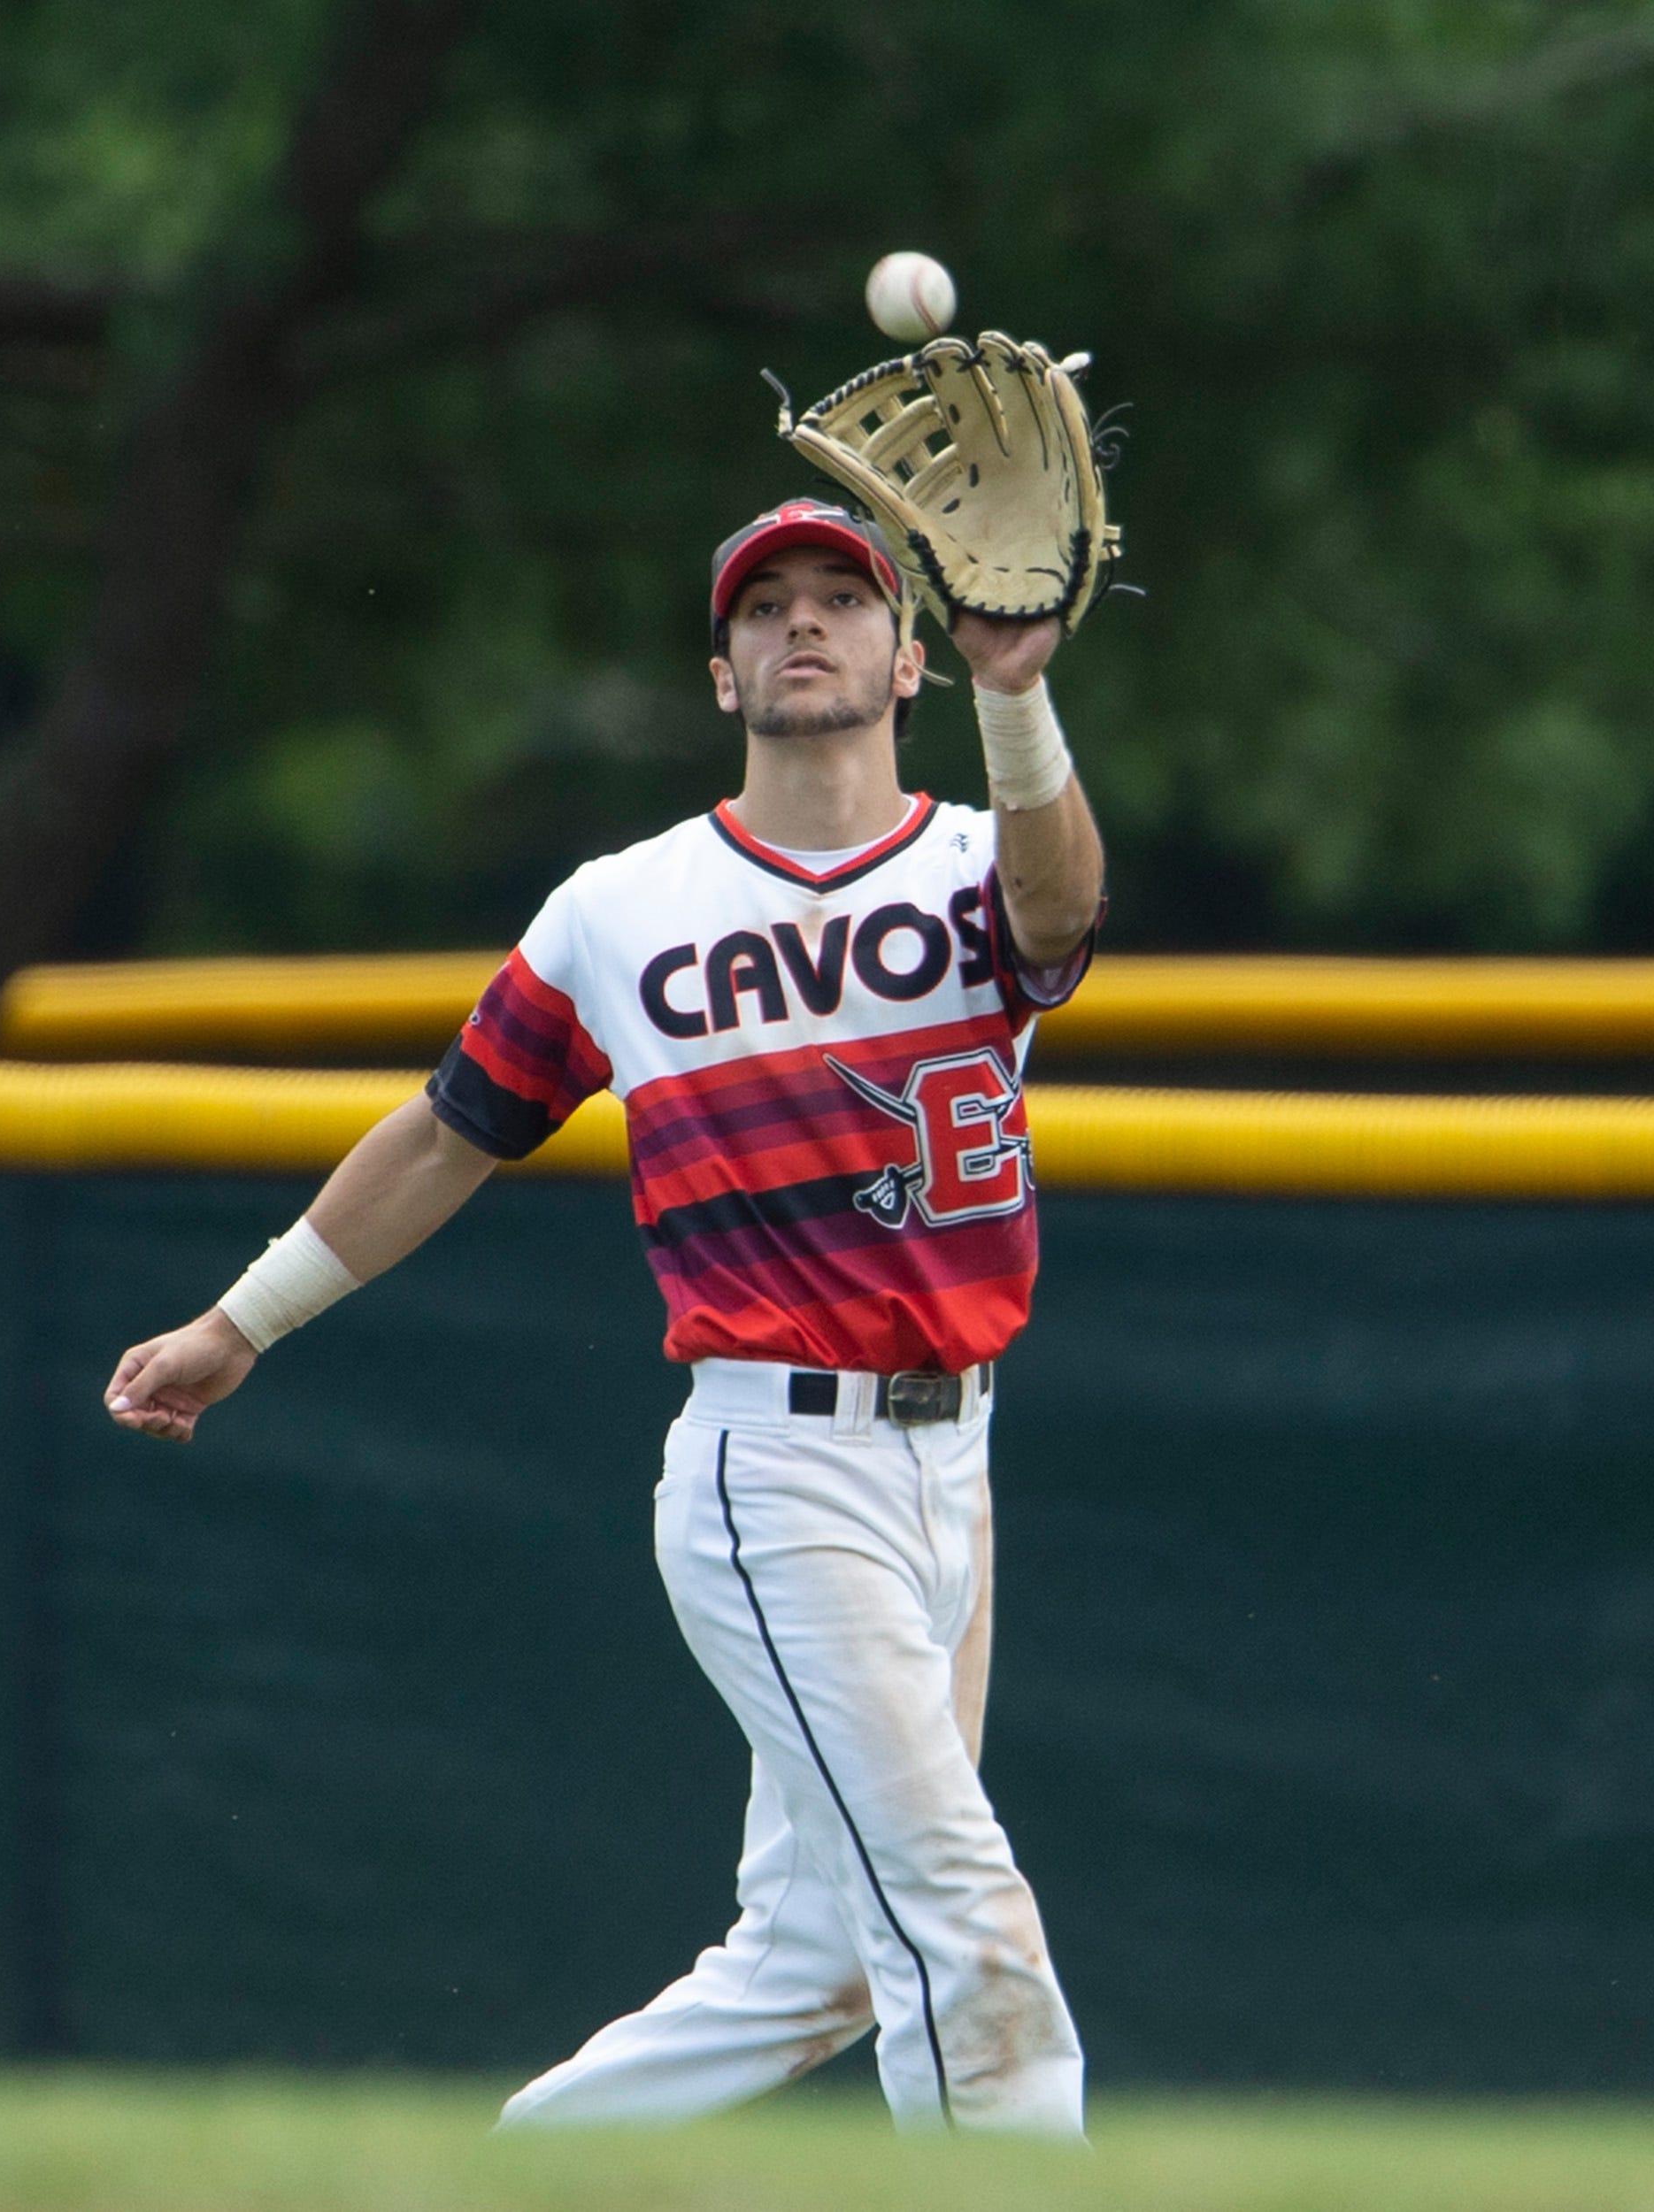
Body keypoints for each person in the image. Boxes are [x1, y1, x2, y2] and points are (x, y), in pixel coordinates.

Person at [104, 495, 1104, 2133]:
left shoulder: (983, 856)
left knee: (820, 1968)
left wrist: (1019, 691)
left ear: (905, 652)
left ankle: (524, 2171)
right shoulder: (621, 906)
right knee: (963, 1926)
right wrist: (244, 1320)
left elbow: (1061, 922)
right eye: (762, 606)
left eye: (840, 599)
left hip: (953, 1468)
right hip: (776, 1470)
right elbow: (450, 1129)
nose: (800, 623)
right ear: (718, 674)